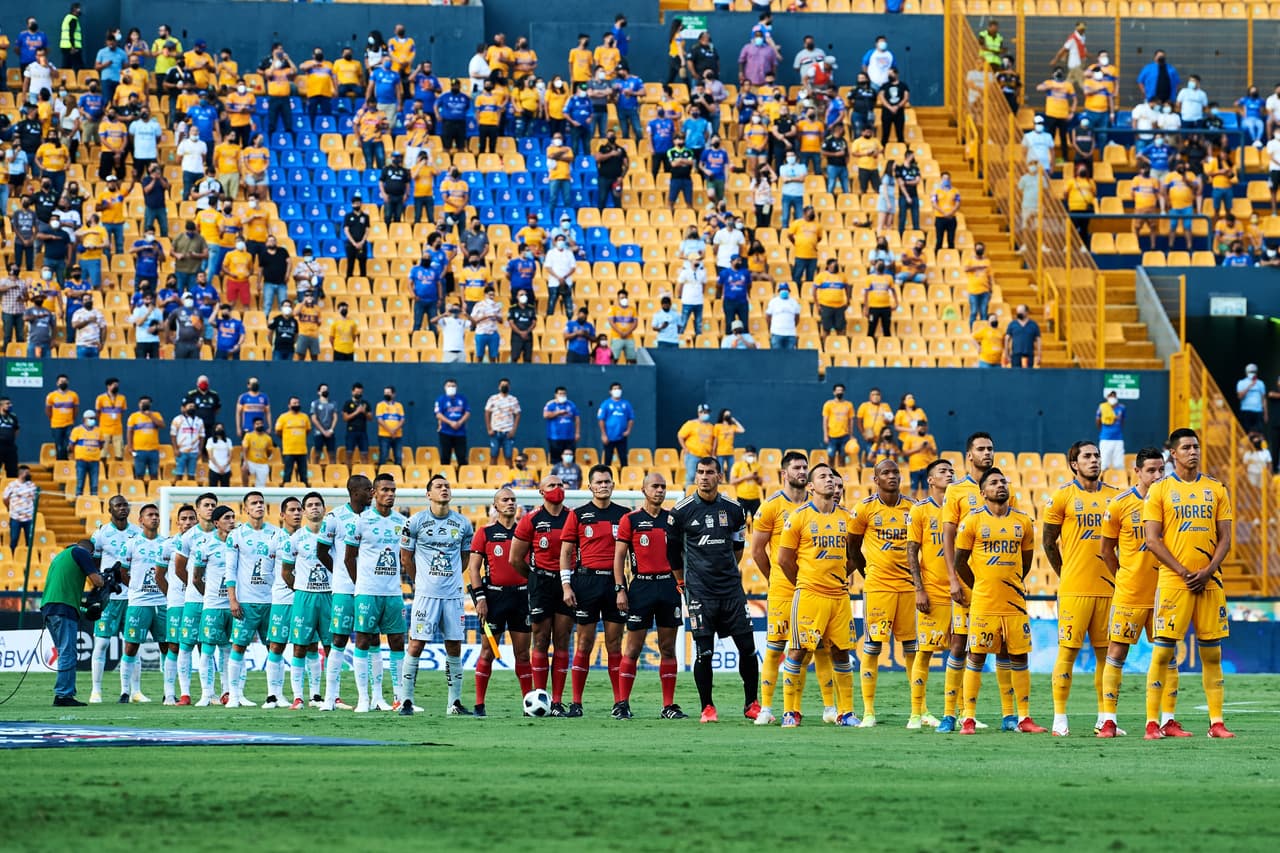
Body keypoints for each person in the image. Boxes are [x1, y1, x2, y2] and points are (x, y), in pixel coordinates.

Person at [1141, 428, 1235, 739]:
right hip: (1174, 582)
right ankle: (1153, 723)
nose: (1193, 451)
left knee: (1212, 654)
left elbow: (1226, 539)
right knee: (1163, 652)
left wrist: (1208, 570)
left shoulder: (1217, 489)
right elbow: (1152, 540)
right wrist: (1183, 571)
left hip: (1210, 581)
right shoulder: (1160, 490)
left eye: (1196, 446)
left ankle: (1216, 723)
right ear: (1173, 454)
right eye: (1186, 447)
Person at [1097, 448, 1183, 737]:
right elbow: (1105, 551)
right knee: (1117, 652)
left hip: (1165, 590)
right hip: (1131, 592)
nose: (1158, 475)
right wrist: (1124, 576)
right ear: (1137, 471)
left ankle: (1167, 720)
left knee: (1168, 656)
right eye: (1151, 470)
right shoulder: (1120, 504)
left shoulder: (1172, 502)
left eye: (1162, 469)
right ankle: (1108, 720)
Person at [952, 469, 1046, 736]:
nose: (1000, 485)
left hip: (1014, 601)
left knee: (1019, 655)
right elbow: (960, 561)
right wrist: (980, 583)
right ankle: (968, 718)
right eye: (993, 482)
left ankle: (1024, 717)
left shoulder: (1023, 521)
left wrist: (1012, 581)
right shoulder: (972, 521)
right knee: (977, 656)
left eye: (1003, 481)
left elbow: (1026, 561)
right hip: (983, 601)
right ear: (982, 492)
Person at [667, 457, 759, 724]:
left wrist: (725, 572)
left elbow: (738, 547)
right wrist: (683, 583)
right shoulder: (681, 512)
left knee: (747, 648)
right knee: (704, 652)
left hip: (731, 591)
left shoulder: (734, 509)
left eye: (710, 472)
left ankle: (751, 703)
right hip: (699, 593)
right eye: (700, 472)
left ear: (720, 476)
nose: (704, 477)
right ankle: (707, 707)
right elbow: (672, 553)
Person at [1041, 442, 1122, 738]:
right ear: (1074, 463)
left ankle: (1105, 718)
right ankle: (1059, 717)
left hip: (1109, 589)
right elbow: (1048, 542)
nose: (1094, 460)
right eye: (1087, 456)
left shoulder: (1115, 497)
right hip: (1075, 589)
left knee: (1107, 656)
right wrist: (1066, 573)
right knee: (1068, 652)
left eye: (1097, 456)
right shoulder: (1062, 496)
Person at [774, 463, 858, 728]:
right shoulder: (798, 517)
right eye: (823, 477)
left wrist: (842, 575)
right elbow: (784, 560)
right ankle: (791, 711)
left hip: (840, 597)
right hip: (809, 595)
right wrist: (804, 582)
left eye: (832, 477)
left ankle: (846, 712)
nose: (830, 480)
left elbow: (855, 555)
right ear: (811, 487)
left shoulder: (847, 517)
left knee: (842, 653)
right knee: (798, 651)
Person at [610, 473, 685, 719]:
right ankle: (621, 703)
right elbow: (619, 557)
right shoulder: (630, 520)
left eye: (663, 486)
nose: (660, 490)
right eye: (655, 486)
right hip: (641, 586)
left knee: (667, 647)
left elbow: (682, 553)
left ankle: (668, 706)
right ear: (643, 490)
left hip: (667, 586)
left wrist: (682, 583)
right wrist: (620, 588)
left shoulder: (672, 519)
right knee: (632, 648)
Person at [400, 474, 474, 716]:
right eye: (439, 487)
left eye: (447, 486)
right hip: (425, 595)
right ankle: (406, 700)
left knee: (454, 646)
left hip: (453, 595)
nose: (444, 489)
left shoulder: (463, 524)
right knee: (416, 644)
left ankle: (454, 702)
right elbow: (406, 557)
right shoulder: (415, 522)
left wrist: (450, 577)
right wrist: (422, 581)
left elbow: (465, 557)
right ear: (428, 494)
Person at [342, 474, 408, 715]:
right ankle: (364, 698)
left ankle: (400, 698)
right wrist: (360, 585)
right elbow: (349, 557)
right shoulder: (360, 522)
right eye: (385, 490)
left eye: (393, 490)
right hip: (367, 592)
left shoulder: (402, 522)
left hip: (392, 592)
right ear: (374, 493)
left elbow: (407, 556)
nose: (390, 494)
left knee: (397, 641)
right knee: (362, 640)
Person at [511, 476, 573, 713]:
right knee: (540, 639)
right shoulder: (532, 519)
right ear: (541, 491)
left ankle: (556, 701)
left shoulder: (571, 517)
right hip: (541, 584)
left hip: (566, 582)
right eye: (551, 486)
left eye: (560, 485)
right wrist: (535, 578)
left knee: (562, 640)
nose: (557, 489)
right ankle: (540, 696)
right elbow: (515, 559)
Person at [467, 489, 532, 716]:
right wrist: (480, 598)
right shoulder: (485, 533)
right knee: (487, 652)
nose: (510, 503)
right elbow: (473, 569)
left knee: (523, 654)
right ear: (495, 506)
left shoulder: (525, 533)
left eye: (513, 499)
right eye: (505, 500)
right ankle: (479, 704)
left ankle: (528, 704)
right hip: (494, 598)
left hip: (522, 597)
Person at [904, 457, 955, 728]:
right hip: (933, 591)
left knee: (963, 652)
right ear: (930, 480)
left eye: (951, 471)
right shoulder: (920, 510)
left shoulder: (964, 509)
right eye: (943, 472)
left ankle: (960, 713)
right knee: (924, 651)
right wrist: (919, 589)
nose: (949, 474)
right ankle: (916, 713)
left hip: (961, 591)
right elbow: (911, 551)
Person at [314, 475, 372, 711]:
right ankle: (330, 697)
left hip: (370, 589)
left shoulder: (375, 517)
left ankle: (370, 698)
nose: (372, 492)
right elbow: (321, 551)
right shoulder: (335, 517)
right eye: (368, 489)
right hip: (344, 589)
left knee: (370, 639)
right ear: (354, 492)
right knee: (338, 639)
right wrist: (340, 572)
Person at [223, 492, 280, 708]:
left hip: (271, 601)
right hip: (245, 601)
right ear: (246, 509)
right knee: (238, 646)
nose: (259, 506)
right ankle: (235, 695)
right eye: (254, 503)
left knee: (274, 647)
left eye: (261, 503)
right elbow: (230, 569)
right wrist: (232, 599)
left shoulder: (276, 533)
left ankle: (274, 695)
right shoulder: (236, 535)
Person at [87, 495, 139, 703]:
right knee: (100, 644)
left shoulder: (137, 532)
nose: (123, 508)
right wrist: (100, 586)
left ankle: (135, 691)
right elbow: (92, 562)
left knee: (133, 644)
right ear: (110, 510)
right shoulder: (100, 534)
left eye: (125, 505)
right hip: (109, 598)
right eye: (118, 505)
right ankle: (96, 690)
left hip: (133, 597)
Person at [42, 539, 103, 706]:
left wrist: (83, 608)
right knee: (68, 652)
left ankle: (64, 693)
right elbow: (97, 581)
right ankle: (63, 695)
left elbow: (66, 588)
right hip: (63, 608)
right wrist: (105, 580)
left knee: (64, 652)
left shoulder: (61, 556)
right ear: (90, 553)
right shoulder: (81, 552)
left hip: (50, 607)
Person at [483, 379, 521, 467]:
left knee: (508, 456)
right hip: (495, 432)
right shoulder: (493, 399)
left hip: (508, 433)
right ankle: (492, 476)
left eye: (506, 385)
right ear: (499, 387)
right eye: (502, 385)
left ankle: (509, 477)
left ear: (509, 387)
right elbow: (487, 413)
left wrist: (513, 430)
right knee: (493, 454)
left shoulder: (513, 400)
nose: (504, 386)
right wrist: (489, 428)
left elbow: (518, 414)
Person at [275, 397, 311, 487]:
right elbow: (278, 431)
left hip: (302, 450)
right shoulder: (283, 417)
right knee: (287, 474)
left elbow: (308, 430)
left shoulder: (304, 417)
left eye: (297, 403)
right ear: (289, 405)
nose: (296, 405)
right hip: (289, 450)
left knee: (303, 475)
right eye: (294, 403)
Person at [597, 383, 634, 468]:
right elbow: (601, 419)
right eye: (614, 389)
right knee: (608, 459)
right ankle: (606, 477)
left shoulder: (626, 404)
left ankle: (624, 476)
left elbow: (631, 418)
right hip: (609, 436)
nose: (617, 391)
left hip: (621, 436)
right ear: (610, 391)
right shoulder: (606, 404)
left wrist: (628, 430)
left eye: (618, 389)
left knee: (623, 458)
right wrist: (604, 435)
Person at [543, 386, 579, 459]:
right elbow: (545, 415)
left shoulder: (571, 405)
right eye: (560, 394)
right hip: (555, 437)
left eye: (564, 394)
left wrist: (577, 433)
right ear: (555, 395)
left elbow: (577, 418)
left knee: (569, 458)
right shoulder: (550, 404)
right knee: (556, 459)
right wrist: (558, 413)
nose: (562, 395)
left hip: (569, 437)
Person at [1096, 390, 1127, 472]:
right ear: (1107, 397)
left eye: (1114, 396)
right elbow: (1098, 420)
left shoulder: (1122, 407)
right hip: (1105, 438)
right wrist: (1102, 431)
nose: (1112, 397)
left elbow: (1123, 421)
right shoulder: (1102, 407)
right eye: (1110, 396)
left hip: (1118, 439)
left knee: (1119, 464)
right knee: (1103, 463)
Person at [375, 386, 405, 467]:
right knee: (383, 456)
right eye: (385, 393)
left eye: (388, 393)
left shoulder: (399, 406)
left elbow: (402, 420)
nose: (386, 394)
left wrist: (395, 430)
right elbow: (380, 420)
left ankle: (398, 475)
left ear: (393, 394)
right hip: (384, 435)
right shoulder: (380, 405)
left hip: (397, 436)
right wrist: (390, 430)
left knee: (398, 457)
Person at [765, 282, 801, 350]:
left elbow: (797, 317)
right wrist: (771, 327)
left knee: (789, 357)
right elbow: (768, 317)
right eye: (782, 289)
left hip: (790, 333)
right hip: (776, 332)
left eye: (785, 289)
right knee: (777, 356)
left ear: (789, 291)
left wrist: (792, 326)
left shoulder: (794, 302)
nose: (784, 291)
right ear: (779, 291)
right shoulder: (773, 302)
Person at [241, 418, 274, 488]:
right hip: (251, 462)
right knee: (244, 469)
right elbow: (244, 450)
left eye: (261, 423)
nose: (259, 425)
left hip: (263, 463)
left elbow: (270, 451)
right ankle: (245, 489)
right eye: (257, 424)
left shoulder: (268, 438)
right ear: (254, 425)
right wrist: (245, 462)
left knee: (260, 486)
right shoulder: (248, 436)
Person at [932, 172, 960, 249]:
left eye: (948, 178)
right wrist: (944, 213)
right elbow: (934, 204)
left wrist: (950, 213)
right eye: (944, 178)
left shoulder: (955, 191)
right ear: (941, 179)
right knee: (939, 240)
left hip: (951, 218)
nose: (946, 180)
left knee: (951, 240)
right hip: (940, 218)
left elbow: (957, 204)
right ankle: (937, 256)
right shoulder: (936, 191)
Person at [1236, 363, 1266, 433]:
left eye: (1254, 372)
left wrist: (1265, 413)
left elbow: (1263, 398)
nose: (1252, 374)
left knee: (1258, 433)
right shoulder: (1241, 383)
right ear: (1246, 373)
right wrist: (1250, 386)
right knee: (1246, 432)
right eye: (1251, 372)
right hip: (1246, 410)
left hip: (1258, 411)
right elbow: (1240, 396)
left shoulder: (1260, 383)